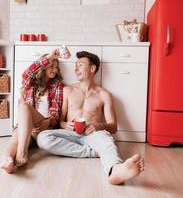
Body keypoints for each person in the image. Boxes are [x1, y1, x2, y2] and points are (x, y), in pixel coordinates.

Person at [37, 51, 144, 185]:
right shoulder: (68, 90)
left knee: (107, 141)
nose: (75, 69)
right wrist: (66, 125)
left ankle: (116, 170)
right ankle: (93, 152)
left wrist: (98, 126)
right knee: (43, 138)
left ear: (92, 68)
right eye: (75, 65)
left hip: (94, 135)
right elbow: (60, 121)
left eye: (80, 65)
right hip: (70, 134)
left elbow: (113, 126)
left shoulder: (104, 95)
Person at [0, 49, 63, 174]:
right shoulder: (31, 84)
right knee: (15, 138)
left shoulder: (57, 86)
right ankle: (7, 162)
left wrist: (48, 122)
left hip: (43, 125)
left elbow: (56, 113)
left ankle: (22, 152)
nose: (55, 69)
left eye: (56, 67)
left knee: (24, 106)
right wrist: (49, 57)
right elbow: (26, 74)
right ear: (43, 67)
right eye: (51, 66)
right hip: (27, 127)